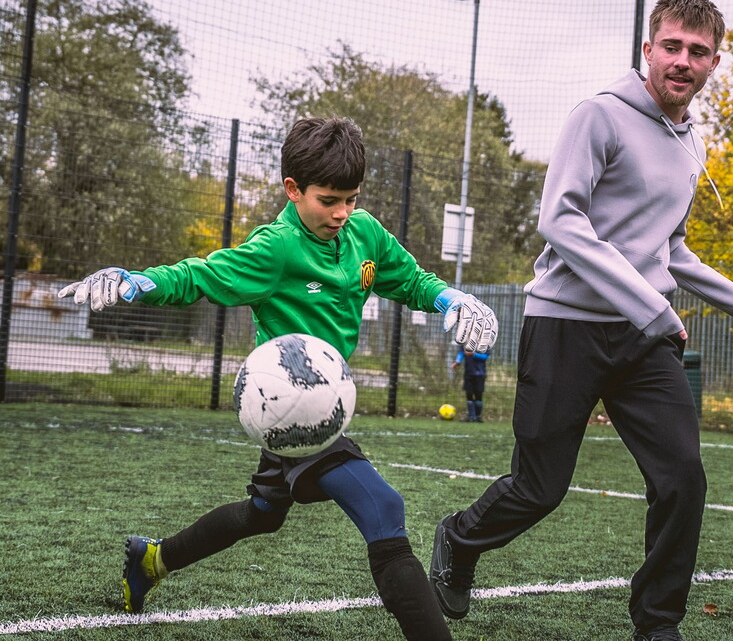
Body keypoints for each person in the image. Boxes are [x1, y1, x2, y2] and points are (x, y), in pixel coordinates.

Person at [58, 116, 498, 641]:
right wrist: (136, 283)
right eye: (328, 199)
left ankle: (153, 559)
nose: (341, 212)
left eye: (351, 198)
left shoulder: (366, 234)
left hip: (318, 409)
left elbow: (411, 281)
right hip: (291, 406)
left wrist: (452, 298)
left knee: (264, 513)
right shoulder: (276, 247)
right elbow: (200, 275)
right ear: (293, 190)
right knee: (385, 508)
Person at [429, 0, 733, 641]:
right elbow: (559, 220)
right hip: (566, 325)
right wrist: (649, 306)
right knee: (540, 489)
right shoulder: (600, 116)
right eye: (671, 46)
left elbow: (667, 248)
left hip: (643, 340)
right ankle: (460, 539)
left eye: (697, 52)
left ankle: (657, 625)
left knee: (682, 478)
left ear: (714, 62)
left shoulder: (691, 144)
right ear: (648, 50)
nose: (682, 60)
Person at [450, 345, 489, 422]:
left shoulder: (484, 342)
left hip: (480, 374)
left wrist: (473, 354)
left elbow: (486, 356)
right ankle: (471, 416)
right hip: (468, 373)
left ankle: (478, 417)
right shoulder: (465, 342)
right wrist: (458, 361)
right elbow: (461, 353)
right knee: (469, 394)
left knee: (478, 394)